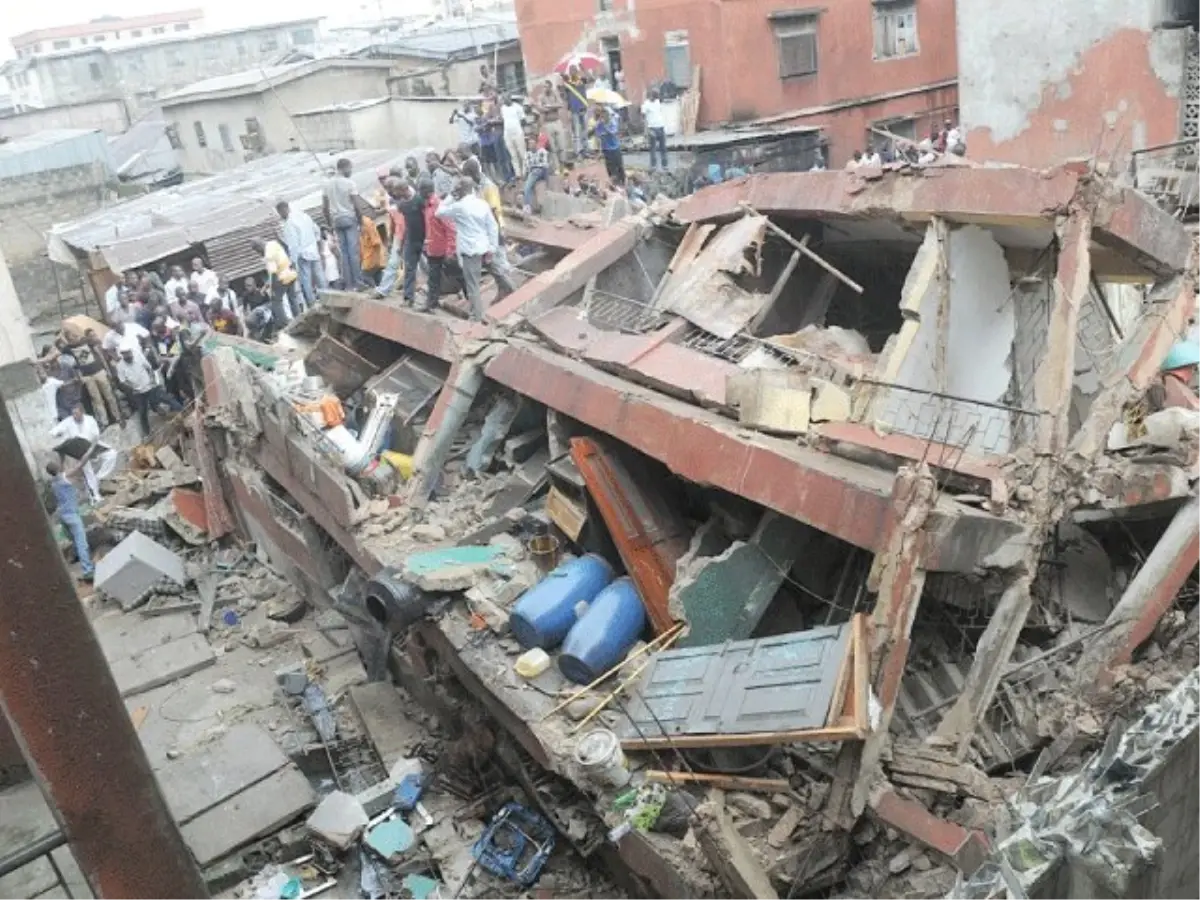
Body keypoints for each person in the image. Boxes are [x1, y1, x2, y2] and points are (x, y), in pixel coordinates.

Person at [437, 177, 515, 322]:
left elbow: (439, 213)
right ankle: (513, 292)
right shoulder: (482, 204)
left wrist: (449, 196)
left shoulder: (459, 207)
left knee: (472, 284)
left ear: (459, 191)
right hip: (485, 247)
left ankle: (477, 316)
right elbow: (492, 226)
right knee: (497, 272)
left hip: (470, 251)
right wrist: (492, 247)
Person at [50, 402, 117, 503]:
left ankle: (100, 478)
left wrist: (89, 445)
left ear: (82, 412)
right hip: (80, 452)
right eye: (73, 414)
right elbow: (54, 432)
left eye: (77, 413)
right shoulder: (68, 421)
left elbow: (96, 435)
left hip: (93, 446)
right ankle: (95, 496)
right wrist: (60, 435)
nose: (74, 416)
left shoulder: (90, 420)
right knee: (87, 471)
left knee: (112, 454)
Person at [323, 157, 366, 291]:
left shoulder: (327, 185)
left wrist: (330, 225)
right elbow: (357, 206)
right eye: (350, 168)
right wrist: (361, 222)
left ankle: (348, 285)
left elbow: (325, 208)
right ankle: (358, 283)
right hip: (349, 218)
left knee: (344, 254)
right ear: (345, 168)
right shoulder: (349, 183)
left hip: (336, 220)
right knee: (353, 253)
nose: (351, 171)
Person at [46, 459, 93, 581]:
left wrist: (61, 456)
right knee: (82, 542)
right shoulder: (64, 477)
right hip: (72, 515)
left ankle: (77, 557)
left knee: (73, 539)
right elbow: (80, 464)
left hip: (63, 516)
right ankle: (88, 571)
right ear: (58, 468)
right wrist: (91, 449)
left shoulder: (53, 483)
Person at [116, 346, 180, 437]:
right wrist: (132, 388)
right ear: (122, 355)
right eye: (125, 354)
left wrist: (152, 380)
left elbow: (149, 369)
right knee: (142, 412)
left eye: (129, 353)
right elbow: (123, 381)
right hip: (138, 392)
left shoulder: (139, 357)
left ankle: (182, 413)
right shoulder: (120, 366)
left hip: (149, 386)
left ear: (131, 352)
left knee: (167, 398)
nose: (128, 355)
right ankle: (147, 434)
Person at [70, 329, 123, 427]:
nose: (73, 337)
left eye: (74, 335)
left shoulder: (86, 341)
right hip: (87, 376)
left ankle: (118, 417)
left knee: (109, 395)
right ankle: (104, 421)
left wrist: (106, 370)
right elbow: (57, 347)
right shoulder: (69, 348)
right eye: (71, 336)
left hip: (98, 371)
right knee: (96, 399)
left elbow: (99, 354)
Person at [277, 200, 324, 308]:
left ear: (283, 210)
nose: (281, 216)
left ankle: (312, 304)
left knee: (306, 280)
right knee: (320, 276)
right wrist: (315, 243)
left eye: (280, 213)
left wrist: (293, 261)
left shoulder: (289, 223)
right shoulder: (305, 216)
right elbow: (316, 230)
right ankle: (328, 298)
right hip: (313, 250)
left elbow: (293, 245)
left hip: (302, 254)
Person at [422, 178, 456, 313]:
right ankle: (431, 304)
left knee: (459, 276)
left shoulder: (439, 207)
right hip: (433, 249)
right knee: (433, 278)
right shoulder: (426, 206)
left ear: (426, 191)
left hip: (444, 250)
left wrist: (450, 250)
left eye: (421, 190)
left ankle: (472, 303)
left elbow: (450, 229)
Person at [375, 178, 412, 298]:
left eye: (390, 189)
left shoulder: (407, 199)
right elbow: (393, 221)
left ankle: (410, 292)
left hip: (410, 234)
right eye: (387, 189)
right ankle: (383, 290)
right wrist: (391, 238)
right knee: (393, 263)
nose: (389, 192)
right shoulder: (391, 201)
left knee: (414, 264)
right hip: (399, 235)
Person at [251, 238, 299, 324]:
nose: (258, 253)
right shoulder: (273, 243)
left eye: (257, 251)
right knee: (292, 297)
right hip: (291, 272)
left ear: (259, 247)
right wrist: (266, 286)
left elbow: (273, 274)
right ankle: (299, 317)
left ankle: (284, 323)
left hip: (282, 278)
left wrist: (272, 289)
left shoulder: (268, 255)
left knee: (276, 301)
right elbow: (285, 249)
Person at [398, 177, 429, 305]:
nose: (398, 195)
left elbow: (427, 217)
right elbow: (405, 223)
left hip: (424, 238)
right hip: (411, 239)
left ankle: (456, 288)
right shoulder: (402, 205)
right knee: (410, 268)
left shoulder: (419, 200)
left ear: (405, 189)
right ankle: (408, 298)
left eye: (399, 192)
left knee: (434, 266)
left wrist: (429, 236)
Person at [1152, 342, 1200, 411]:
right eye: (1193, 367)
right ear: (1184, 368)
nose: (1193, 372)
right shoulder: (1171, 383)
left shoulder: (1172, 381)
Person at [536, 79, 566, 171]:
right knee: (553, 148)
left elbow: (561, 104)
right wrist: (551, 107)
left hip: (557, 121)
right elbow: (540, 108)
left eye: (546, 86)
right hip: (548, 124)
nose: (544, 88)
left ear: (550, 87)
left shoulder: (555, 94)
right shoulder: (541, 97)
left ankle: (563, 166)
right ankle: (557, 167)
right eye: (543, 87)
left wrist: (549, 106)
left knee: (562, 145)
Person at [593, 106, 625, 186]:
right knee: (610, 168)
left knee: (619, 166)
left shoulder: (613, 122)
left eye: (605, 114)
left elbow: (613, 132)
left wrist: (605, 127)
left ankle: (623, 182)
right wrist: (598, 150)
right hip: (606, 149)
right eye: (602, 114)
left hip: (615, 147)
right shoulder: (600, 124)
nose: (603, 116)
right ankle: (614, 183)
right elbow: (598, 135)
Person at [501, 94, 527, 181]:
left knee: (522, 153)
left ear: (509, 98)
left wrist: (519, 129)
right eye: (503, 99)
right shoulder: (503, 108)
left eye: (505, 98)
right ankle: (518, 174)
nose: (504, 100)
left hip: (517, 133)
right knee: (513, 155)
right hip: (507, 134)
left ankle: (525, 172)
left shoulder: (517, 107)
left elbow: (523, 120)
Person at [641, 88, 668, 170]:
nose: (654, 98)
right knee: (653, 149)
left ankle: (665, 165)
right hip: (652, 128)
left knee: (663, 148)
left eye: (656, 97)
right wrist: (647, 131)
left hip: (661, 127)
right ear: (650, 96)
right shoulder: (645, 105)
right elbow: (643, 119)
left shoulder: (658, 102)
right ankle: (653, 166)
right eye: (653, 97)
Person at [564, 65, 588, 153]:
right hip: (574, 110)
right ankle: (578, 151)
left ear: (577, 71)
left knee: (585, 130)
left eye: (574, 70)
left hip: (583, 108)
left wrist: (584, 69)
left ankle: (586, 149)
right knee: (577, 131)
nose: (572, 72)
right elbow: (566, 98)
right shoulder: (568, 83)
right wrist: (568, 111)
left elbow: (590, 78)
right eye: (571, 70)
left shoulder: (581, 80)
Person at [523, 137, 550, 213]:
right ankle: (529, 205)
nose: (531, 145)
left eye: (533, 143)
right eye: (529, 144)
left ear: (536, 143)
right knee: (529, 186)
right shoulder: (527, 154)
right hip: (533, 172)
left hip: (542, 171)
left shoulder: (542, 151)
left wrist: (535, 168)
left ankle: (527, 205)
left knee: (536, 172)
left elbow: (544, 164)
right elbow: (527, 166)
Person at [359, 213, 386, 287]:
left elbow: (376, 242)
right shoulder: (362, 223)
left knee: (365, 276)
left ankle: (375, 289)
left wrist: (376, 259)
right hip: (373, 256)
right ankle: (381, 289)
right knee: (377, 276)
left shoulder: (366, 222)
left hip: (372, 256)